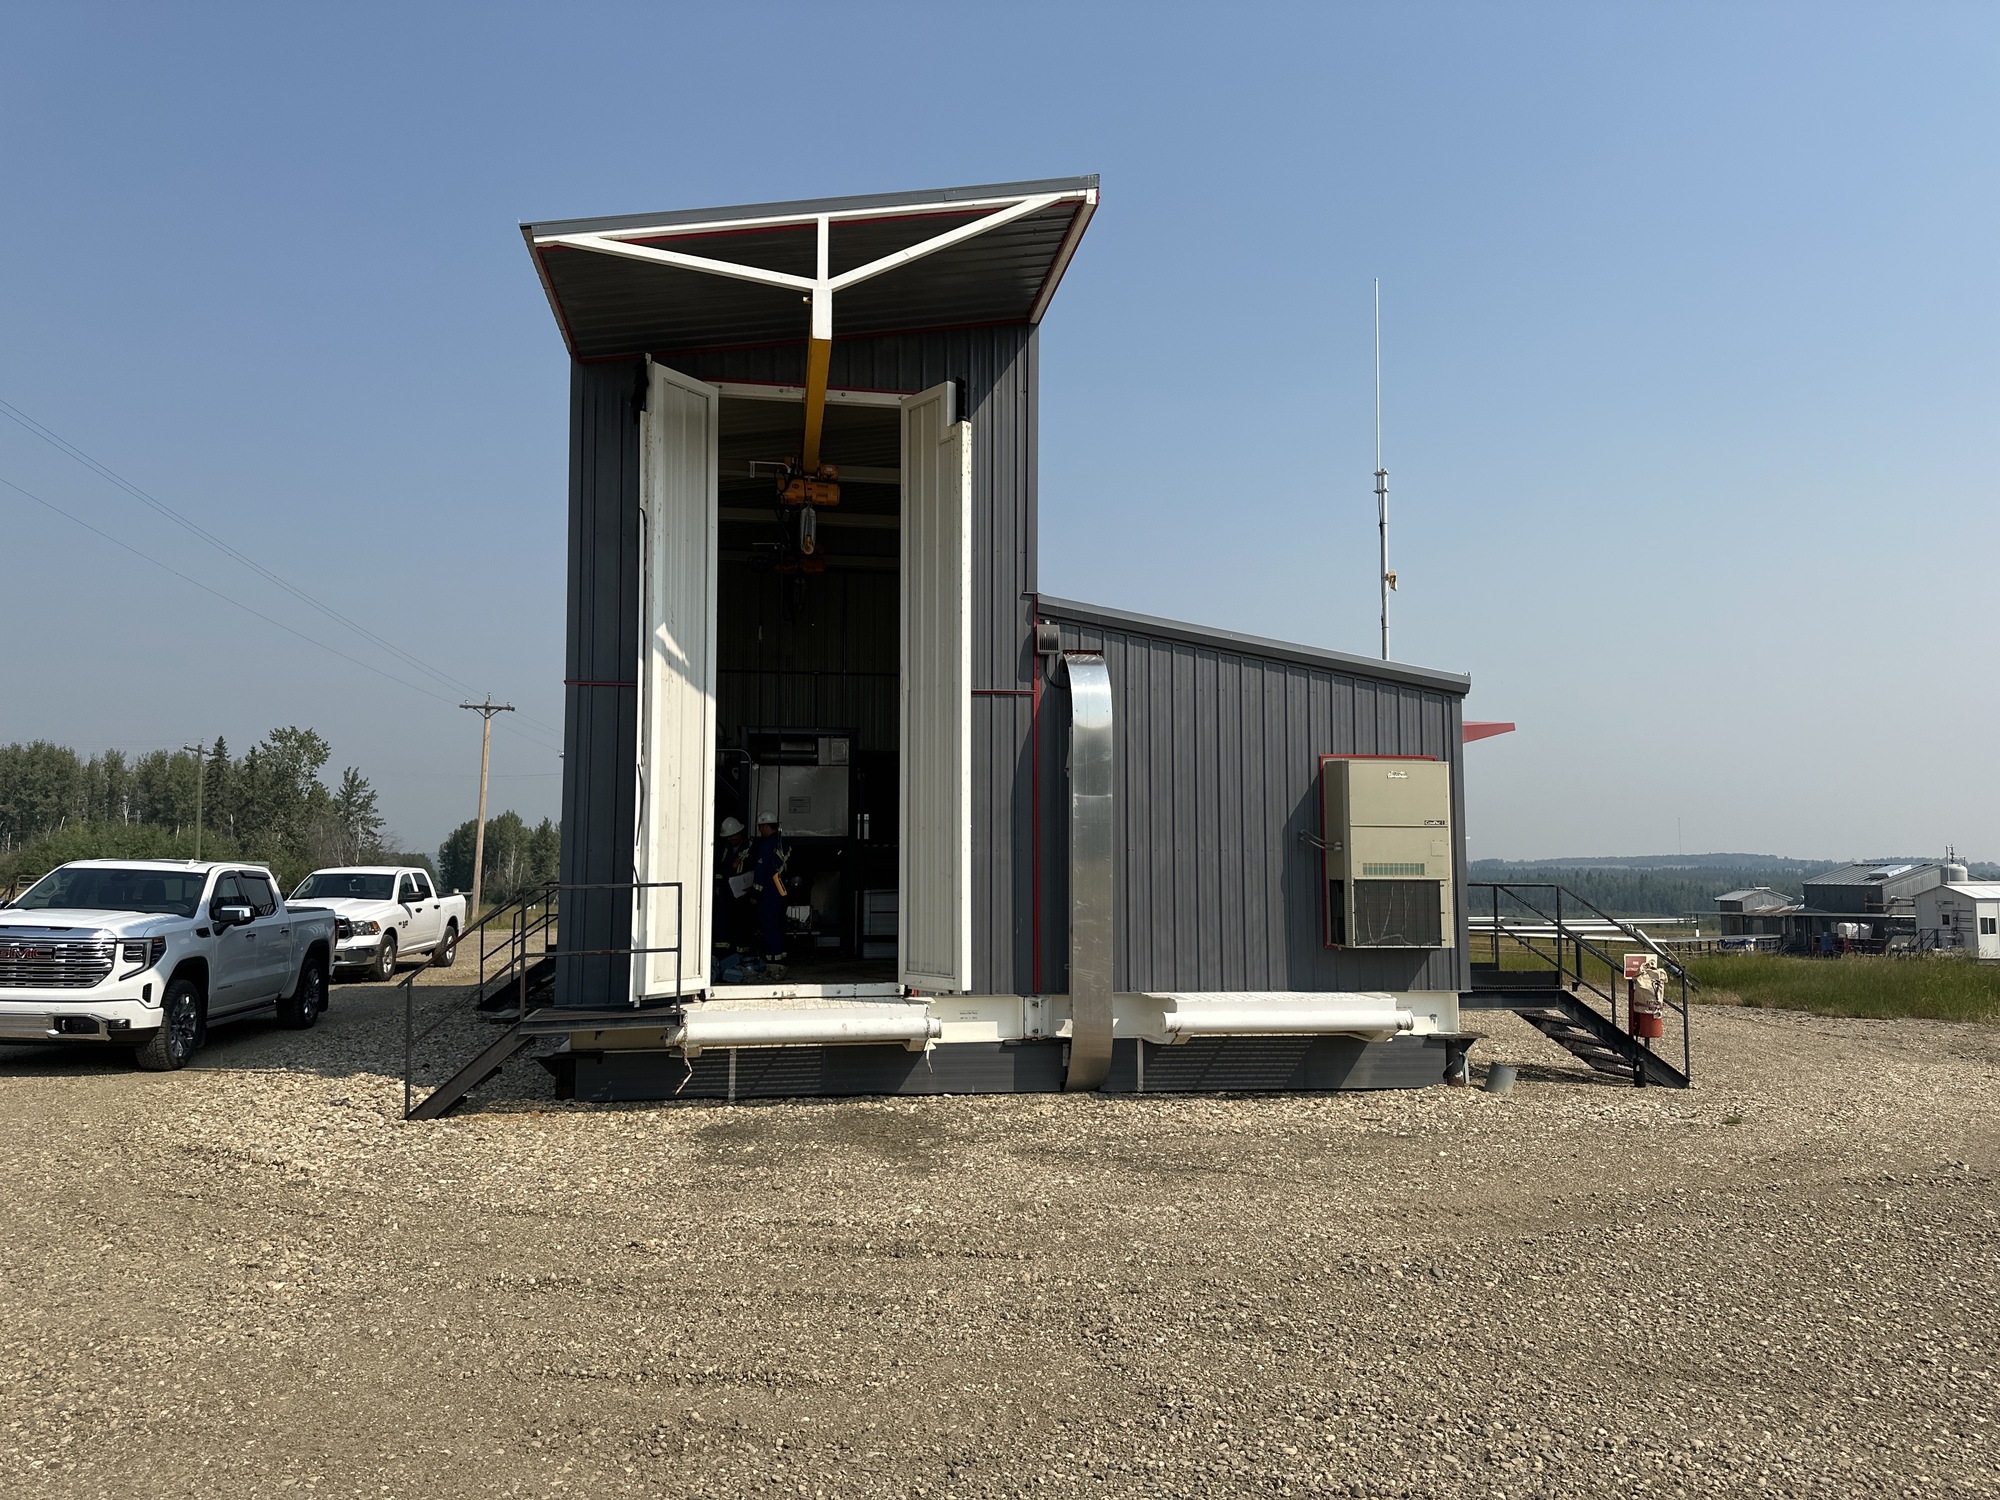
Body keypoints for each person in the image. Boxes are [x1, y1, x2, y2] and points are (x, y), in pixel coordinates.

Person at [750, 811, 793, 963]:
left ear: (766, 826)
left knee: (769, 925)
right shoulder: (784, 844)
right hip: (782, 891)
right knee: (779, 924)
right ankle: (780, 956)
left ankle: (772, 960)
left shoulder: (767, 845)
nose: (759, 830)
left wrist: (755, 894)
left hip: (769, 893)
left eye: (760, 827)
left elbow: (761, 872)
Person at [713, 816, 752, 955]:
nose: (730, 839)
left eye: (732, 836)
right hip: (726, 892)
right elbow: (720, 867)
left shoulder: (750, 847)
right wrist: (718, 884)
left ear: (739, 833)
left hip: (742, 893)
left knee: (741, 923)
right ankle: (724, 953)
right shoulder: (726, 848)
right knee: (723, 922)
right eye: (728, 837)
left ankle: (741, 953)